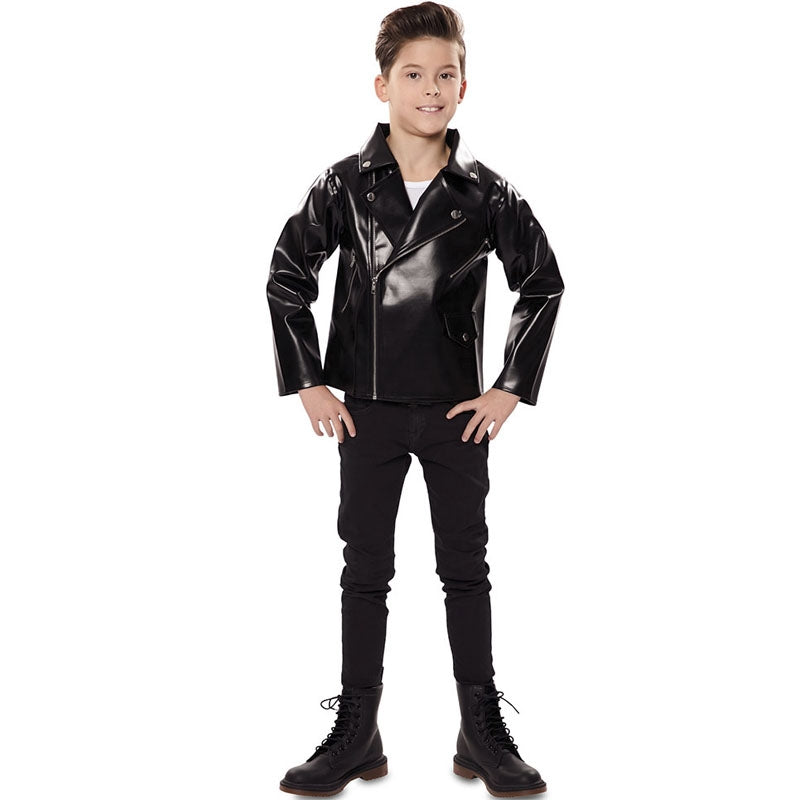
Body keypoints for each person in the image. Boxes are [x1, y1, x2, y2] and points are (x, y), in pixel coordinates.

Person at [267, 3, 564, 796]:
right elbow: (287, 276)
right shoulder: (342, 184)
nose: (430, 89)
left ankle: (480, 729)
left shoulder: (488, 194)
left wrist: (508, 389)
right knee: (364, 569)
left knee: (466, 568)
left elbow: (542, 282)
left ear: (464, 87)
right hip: (364, 410)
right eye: (413, 74)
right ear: (382, 85)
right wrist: (309, 381)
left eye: (445, 74)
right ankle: (357, 730)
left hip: (456, 414)